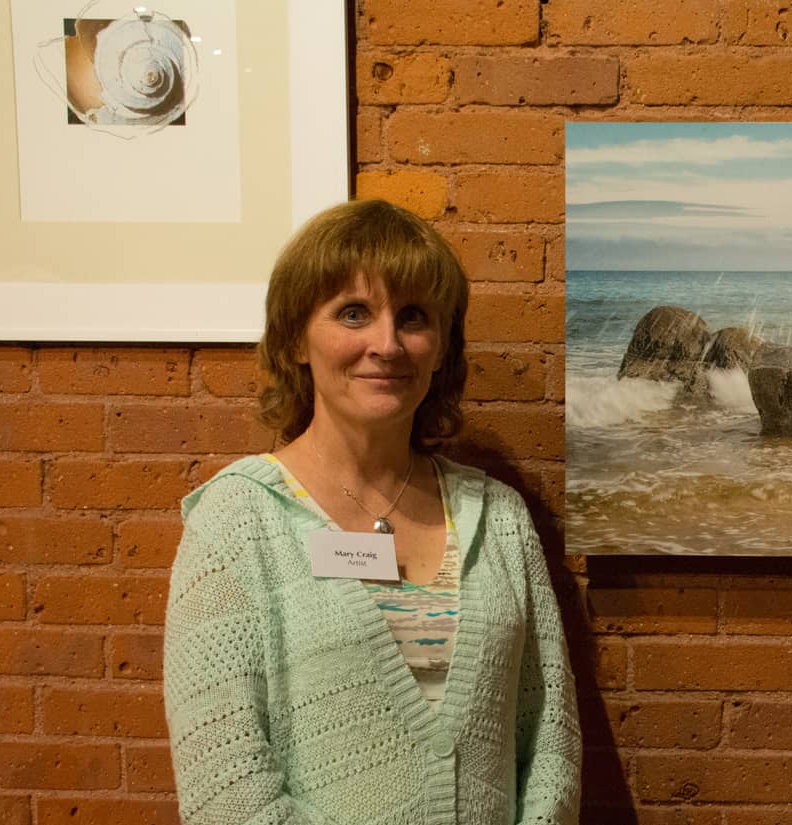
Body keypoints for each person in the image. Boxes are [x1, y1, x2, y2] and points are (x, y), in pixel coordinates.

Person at [162, 199, 581, 825]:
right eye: (353, 313)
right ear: (296, 339)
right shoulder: (239, 520)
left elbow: (550, 735)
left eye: (413, 317)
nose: (386, 344)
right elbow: (227, 790)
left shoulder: (498, 519)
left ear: (441, 348)